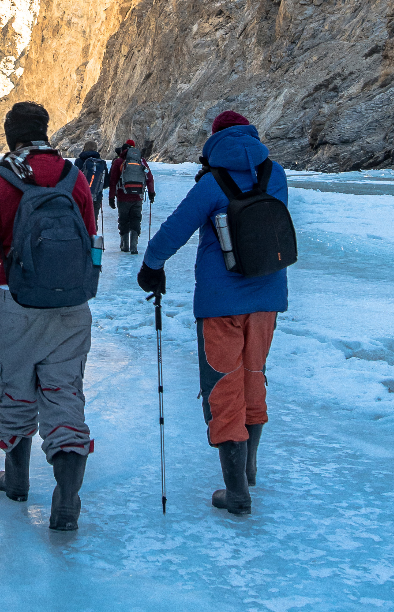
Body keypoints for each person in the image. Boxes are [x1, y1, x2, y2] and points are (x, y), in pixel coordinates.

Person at [136, 111, 288, 516]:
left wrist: (151, 266)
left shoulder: (211, 183)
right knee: (254, 378)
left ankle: (235, 490)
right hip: (268, 298)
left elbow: (175, 229)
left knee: (223, 386)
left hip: (221, 304)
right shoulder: (274, 173)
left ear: (215, 140)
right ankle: (249, 463)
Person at [0, 102, 98, 531]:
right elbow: (91, 236)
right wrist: (82, 289)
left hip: (16, 304)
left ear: (11, 135)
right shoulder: (74, 177)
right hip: (71, 308)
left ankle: (18, 479)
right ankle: (66, 498)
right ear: (44, 131)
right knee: (64, 395)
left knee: (15, 388)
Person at [107, 139, 155, 254]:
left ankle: (125, 245)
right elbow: (149, 177)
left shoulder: (119, 162)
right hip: (138, 196)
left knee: (124, 220)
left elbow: (112, 181)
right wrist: (151, 192)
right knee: (136, 219)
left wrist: (111, 197)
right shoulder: (141, 161)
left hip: (123, 196)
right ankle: (134, 246)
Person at [73, 140, 109, 225]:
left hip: (81, 197)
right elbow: (106, 182)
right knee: (93, 222)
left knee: (80, 222)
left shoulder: (78, 161)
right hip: (96, 197)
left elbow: (74, 179)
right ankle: (92, 237)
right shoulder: (101, 163)